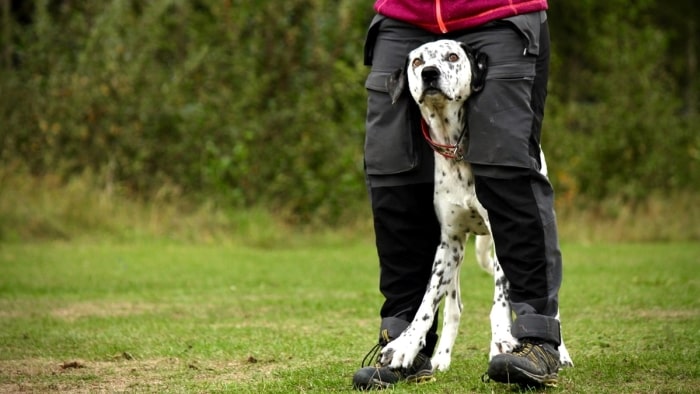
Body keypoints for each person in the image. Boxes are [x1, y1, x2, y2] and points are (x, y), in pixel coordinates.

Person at [352, 0, 564, 390]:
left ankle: (536, 339)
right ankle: (403, 342)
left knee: (508, 168)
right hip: (403, 16)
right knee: (391, 172)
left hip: (500, 14)